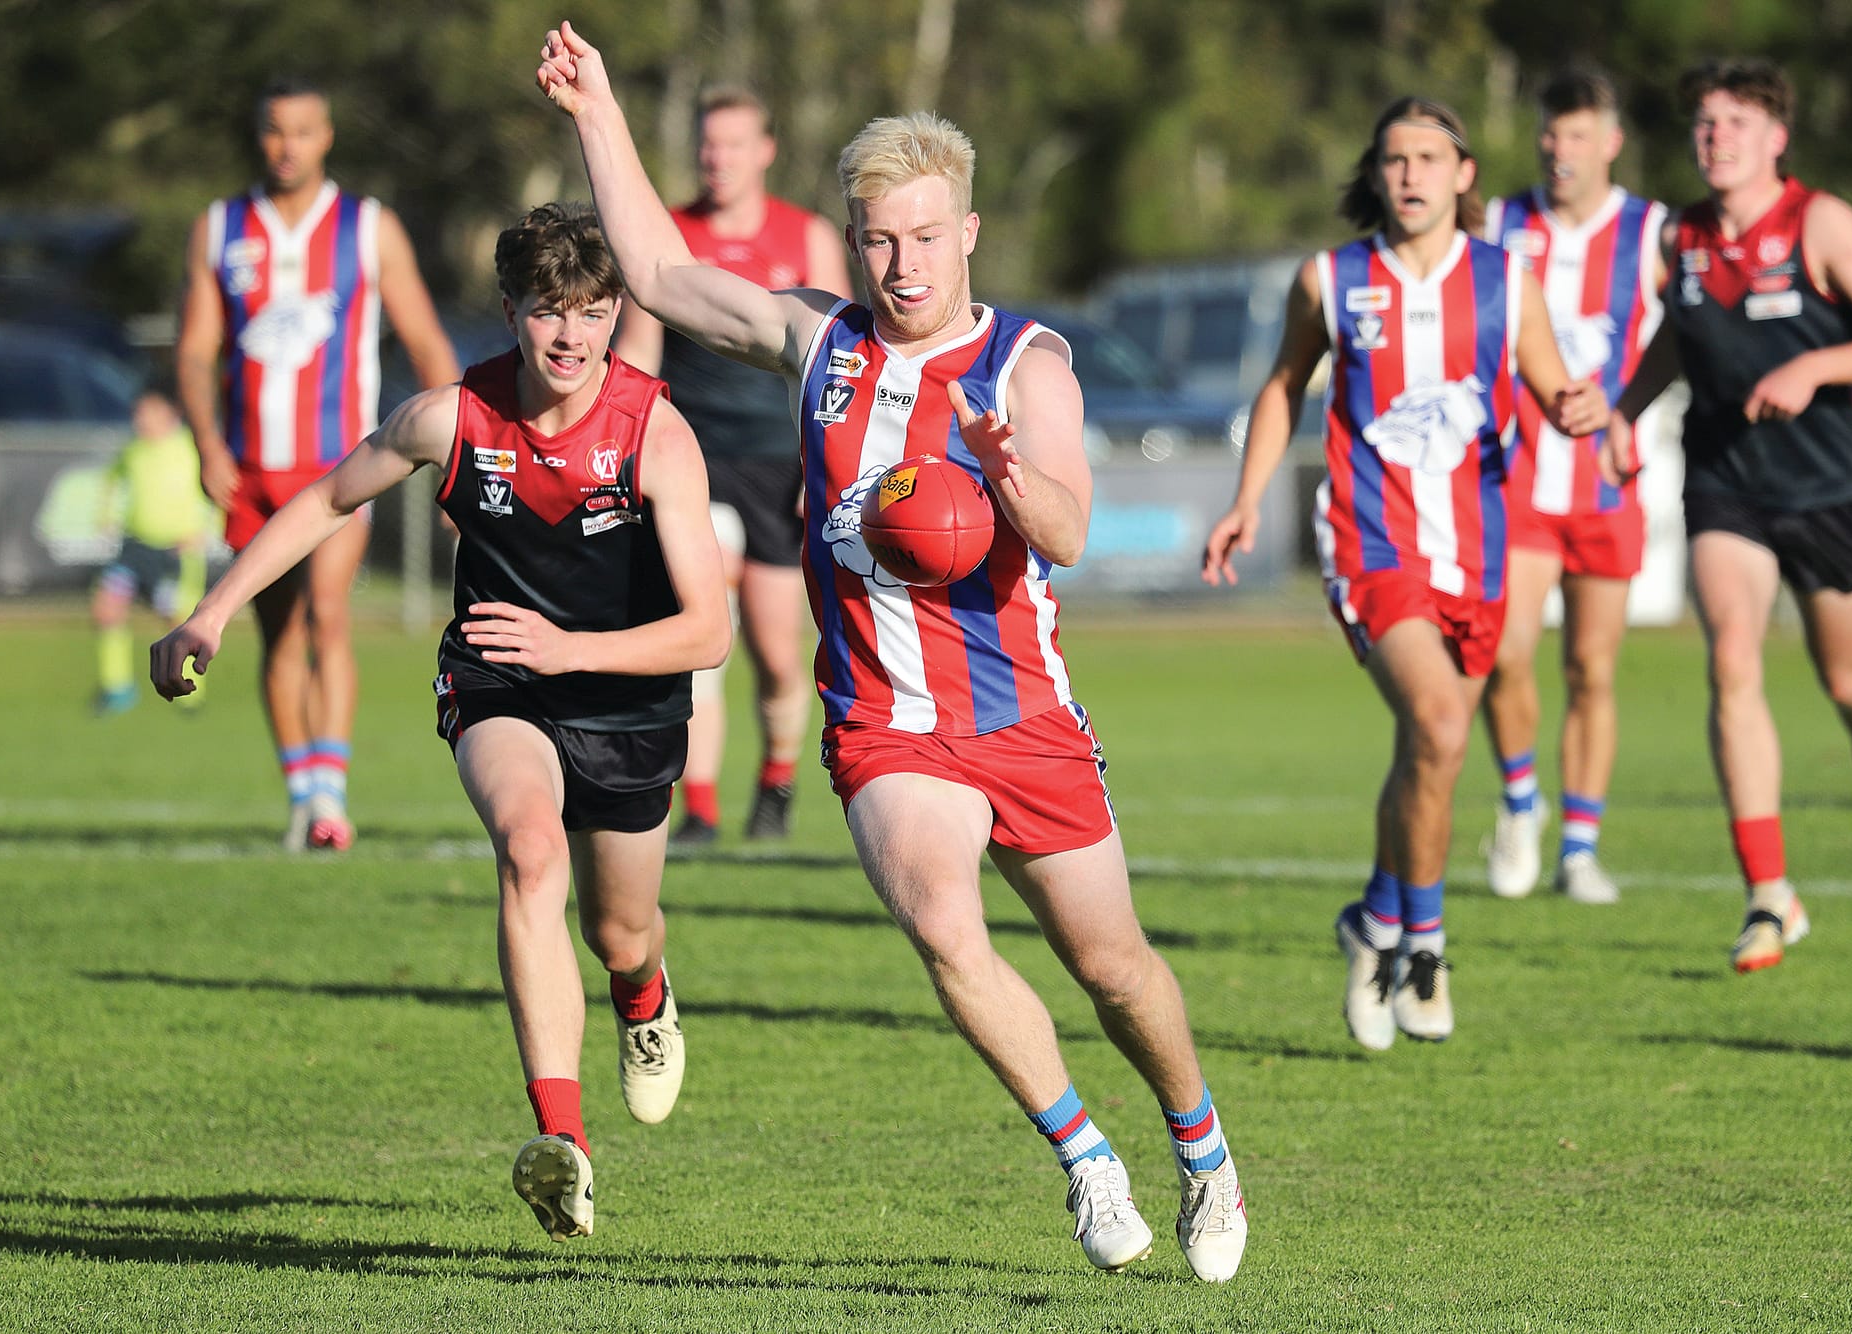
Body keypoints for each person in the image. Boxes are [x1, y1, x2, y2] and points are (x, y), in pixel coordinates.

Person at [538, 20, 1247, 1281]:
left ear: (966, 231)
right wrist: (595, 108)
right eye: (877, 238)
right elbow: (653, 268)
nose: (901, 261)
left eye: (924, 236)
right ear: (852, 239)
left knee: (1114, 965)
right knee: (938, 918)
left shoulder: (1028, 364)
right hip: (884, 718)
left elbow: (1072, 532)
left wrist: (1003, 476)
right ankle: (1084, 1155)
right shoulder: (821, 340)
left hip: (1021, 713)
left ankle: (1200, 1148)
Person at [152, 202, 731, 1242]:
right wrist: (212, 609)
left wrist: (575, 649)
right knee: (526, 848)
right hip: (499, 680)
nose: (571, 337)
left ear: (615, 316)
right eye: (549, 312)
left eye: (594, 312)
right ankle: (563, 1141)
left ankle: (642, 996)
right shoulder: (450, 416)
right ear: (510, 311)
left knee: (618, 930)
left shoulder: (655, 432)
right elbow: (330, 500)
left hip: (628, 691)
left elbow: (707, 630)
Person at [1202, 98, 1608, 1052]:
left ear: (1465, 173)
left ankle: (1374, 920)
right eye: (1395, 159)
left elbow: (1552, 385)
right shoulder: (1332, 280)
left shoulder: (1508, 281)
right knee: (1434, 723)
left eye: (1431, 158)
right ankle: (1423, 944)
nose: (1412, 175)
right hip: (1370, 541)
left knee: (1434, 752)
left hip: (1477, 551)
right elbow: (1280, 384)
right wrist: (1248, 498)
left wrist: (1581, 410)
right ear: (1376, 174)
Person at [1610, 59, 1852, 972]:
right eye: (1705, 124)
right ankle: (1768, 895)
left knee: (1849, 681)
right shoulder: (1684, 237)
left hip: (1824, 485)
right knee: (1732, 660)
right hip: (1724, 481)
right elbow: (1679, 334)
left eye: (1736, 123)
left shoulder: (1821, 223)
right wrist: (1625, 414)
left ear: (1776, 139)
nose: (1716, 138)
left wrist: (1813, 368)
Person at [176, 76, 461, 852]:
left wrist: (452, 458)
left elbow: (429, 344)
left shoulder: (369, 229)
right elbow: (197, 353)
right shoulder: (219, 227)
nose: (287, 145)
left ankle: (331, 792)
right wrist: (205, 440)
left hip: (341, 467)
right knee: (274, 632)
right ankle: (303, 794)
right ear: (258, 135)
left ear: (326, 135)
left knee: (323, 614)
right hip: (249, 469)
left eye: (302, 131)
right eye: (274, 131)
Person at [616, 87, 853, 846]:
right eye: (707, 144)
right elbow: (638, 357)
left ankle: (777, 783)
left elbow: (842, 368)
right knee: (703, 632)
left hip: (784, 468)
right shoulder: (669, 237)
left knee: (779, 650)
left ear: (766, 150)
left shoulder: (808, 236)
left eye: (733, 144)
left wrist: (831, 480)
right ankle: (702, 808)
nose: (718, 158)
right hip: (697, 465)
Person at [1477, 69, 1668, 906]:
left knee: (1592, 667)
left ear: (1611, 143)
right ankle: (1523, 803)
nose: (1561, 150)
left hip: (1605, 487)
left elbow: (1690, 332)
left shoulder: (1652, 232)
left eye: (1579, 135)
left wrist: (1632, 413)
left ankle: (1581, 846)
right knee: (1503, 655)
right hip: (1517, 479)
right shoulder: (1501, 224)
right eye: (1551, 135)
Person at [91, 386, 213, 715]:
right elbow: (111, 480)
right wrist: (105, 516)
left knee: (177, 622)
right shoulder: (133, 451)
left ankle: (189, 693)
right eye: (137, 413)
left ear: (170, 413)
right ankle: (116, 689)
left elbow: (221, 488)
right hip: (135, 548)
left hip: (175, 554)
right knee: (107, 608)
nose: (140, 420)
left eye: (147, 412)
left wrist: (206, 531)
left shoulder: (192, 448)